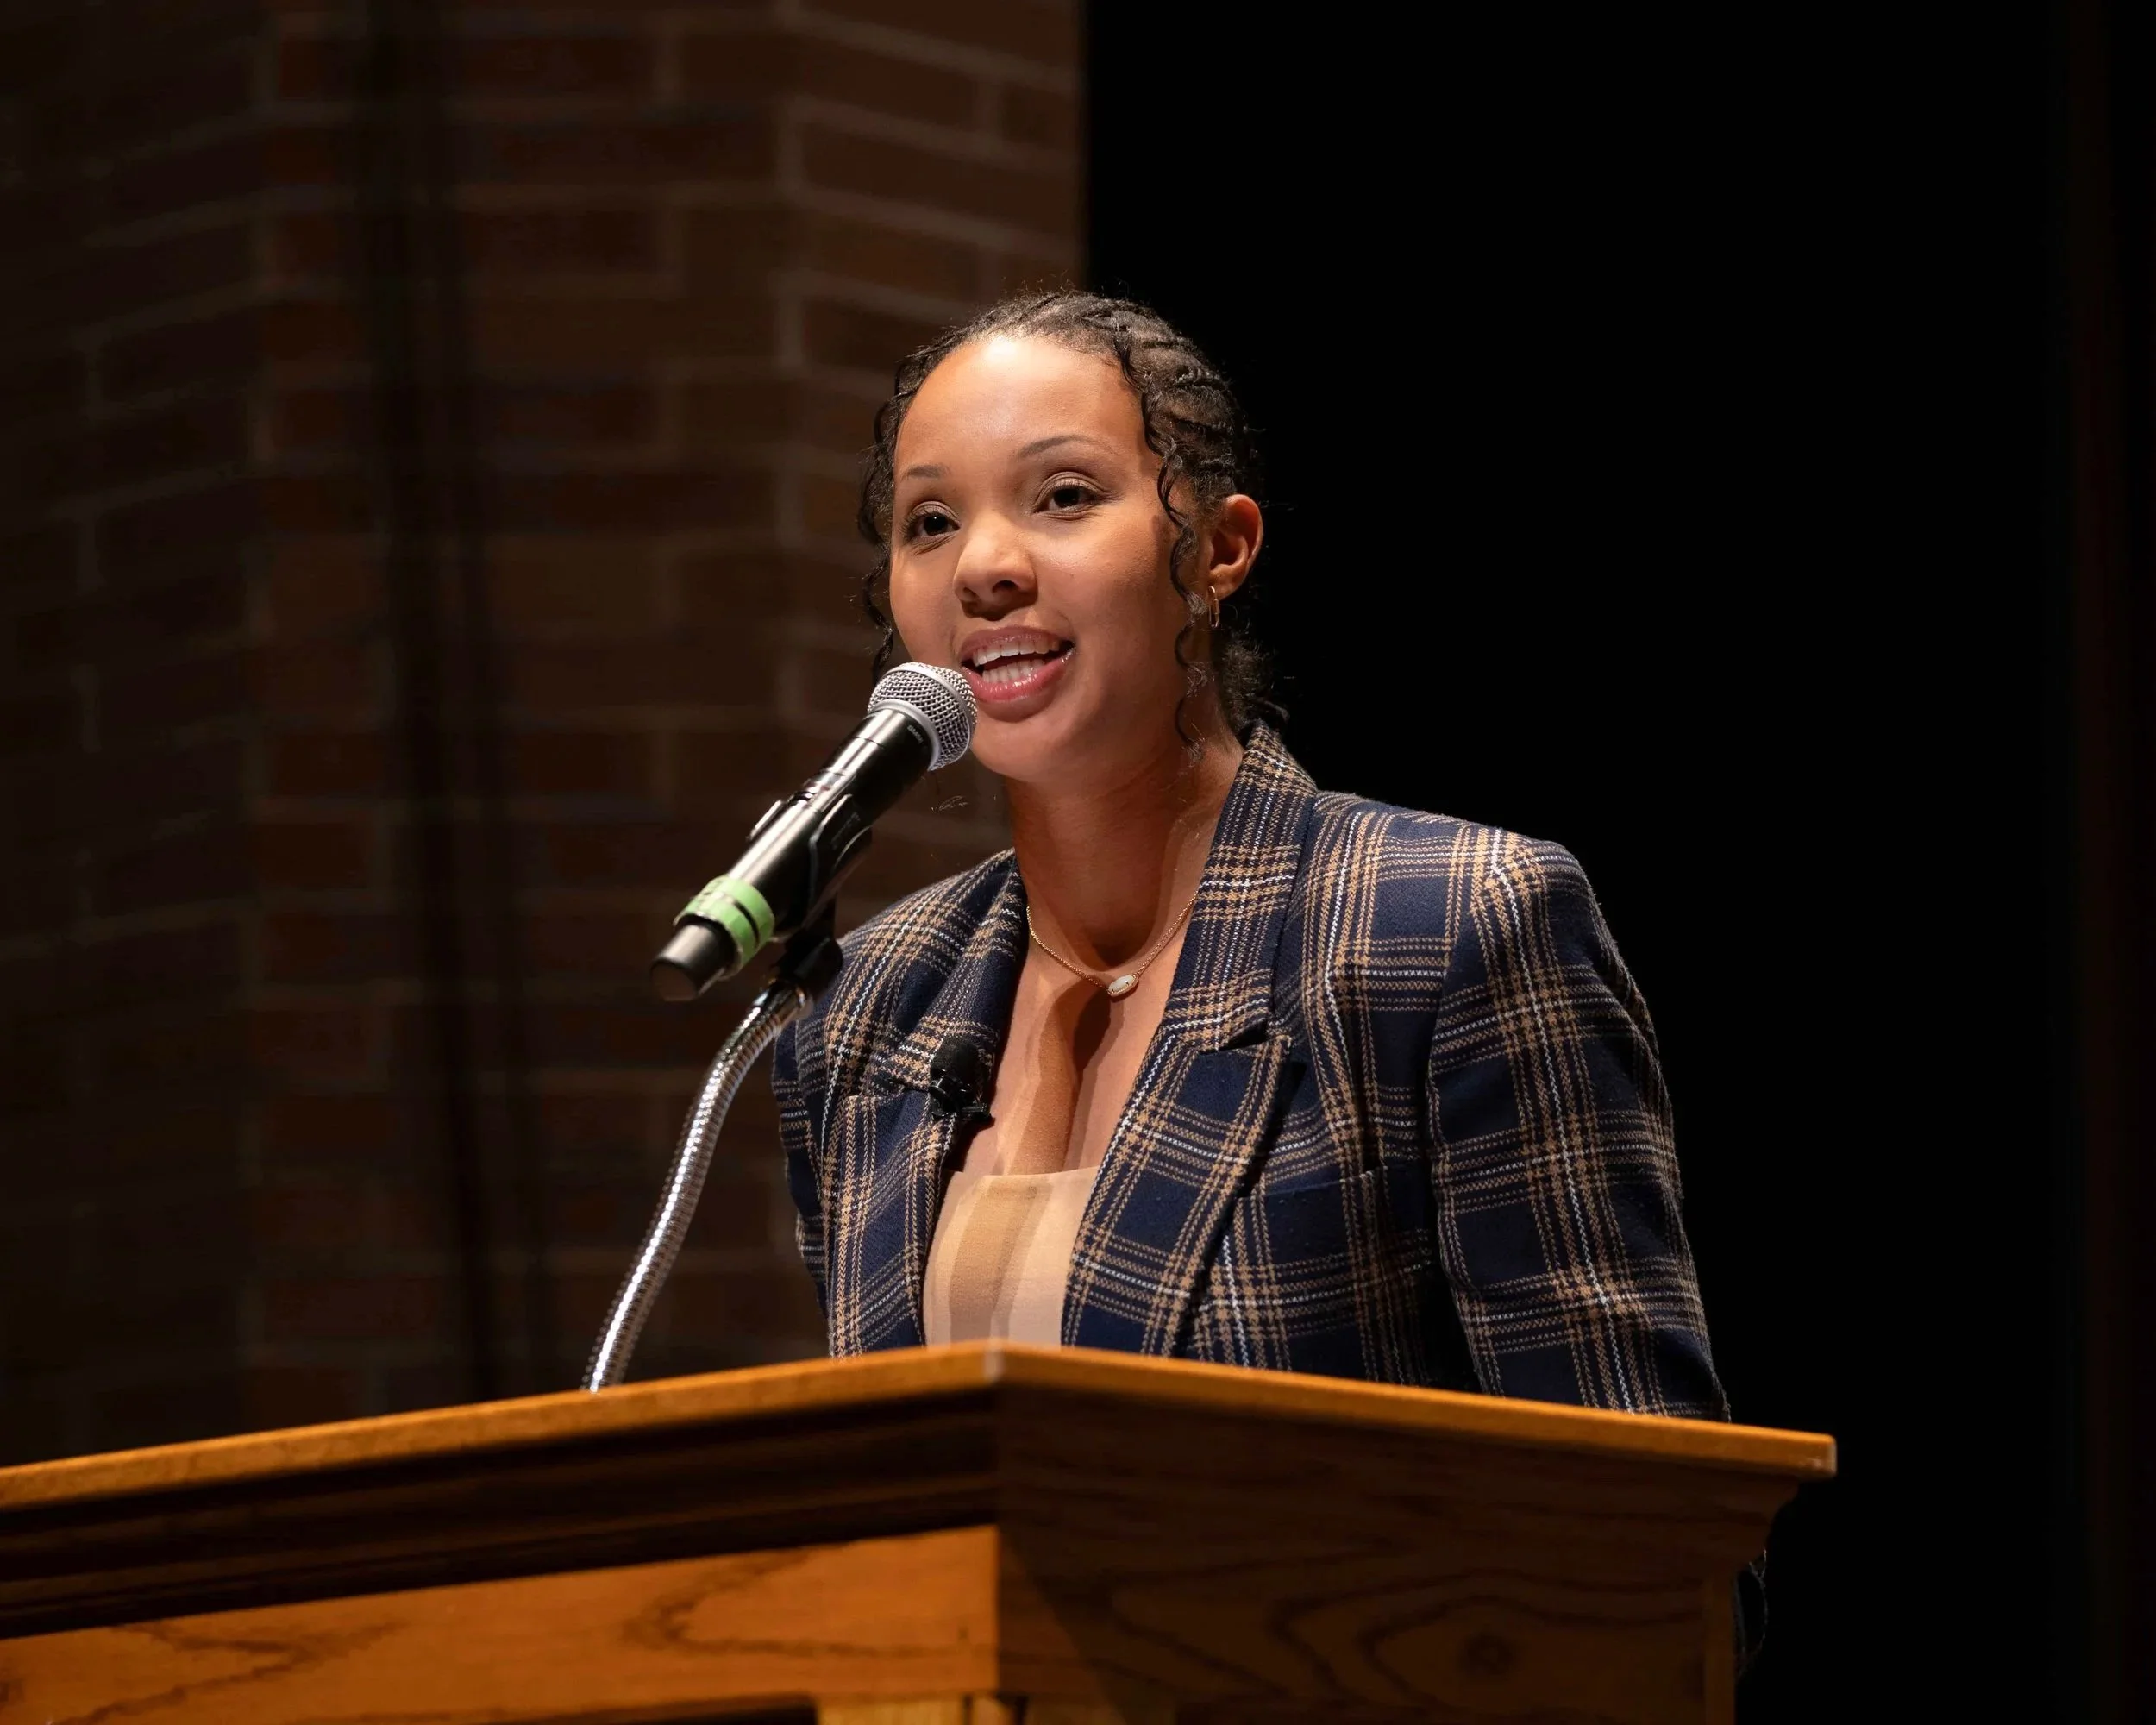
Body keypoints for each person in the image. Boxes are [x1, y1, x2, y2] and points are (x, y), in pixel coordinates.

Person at [771, 290, 1725, 1421]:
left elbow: (1643, 1518)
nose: (984, 565)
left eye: (1064, 496)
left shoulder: (1448, 927)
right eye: (930, 523)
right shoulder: (866, 1008)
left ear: (1219, 550)